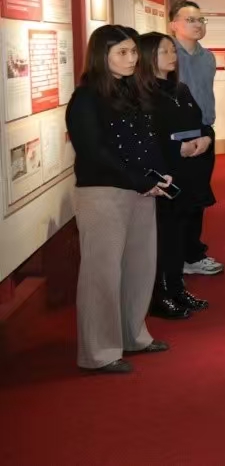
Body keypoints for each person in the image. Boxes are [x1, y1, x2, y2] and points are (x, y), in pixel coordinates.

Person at [66, 25, 171, 373]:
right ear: (102, 56)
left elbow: (146, 140)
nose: (131, 59)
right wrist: (141, 181)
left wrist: (159, 175)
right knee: (103, 274)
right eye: (122, 53)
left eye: (133, 52)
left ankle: (133, 335)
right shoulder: (86, 98)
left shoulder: (132, 90)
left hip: (141, 189)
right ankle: (99, 351)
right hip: (103, 193)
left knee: (140, 267)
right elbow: (95, 152)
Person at [136, 32, 215, 320]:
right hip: (162, 178)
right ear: (148, 57)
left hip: (187, 175)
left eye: (173, 50)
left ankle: (176, 288)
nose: (173, 56)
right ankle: (160, 295)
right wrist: (176, 148)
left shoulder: (180, 89)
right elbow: (145, 140)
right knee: (163, 238)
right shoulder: (141, 96)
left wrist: (206, 138)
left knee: (179, 236)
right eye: (164, 51)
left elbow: (201, 124)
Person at [168, 0, 222, 276]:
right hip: (177, 136)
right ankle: (175, 257)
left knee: (199, 196)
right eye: (190, 19)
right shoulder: (167, 56)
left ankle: (192, 253)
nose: (197, 24)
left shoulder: (208, 57)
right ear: (173, 25)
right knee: (178, 199)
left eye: (201, 19)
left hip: (204, 131)